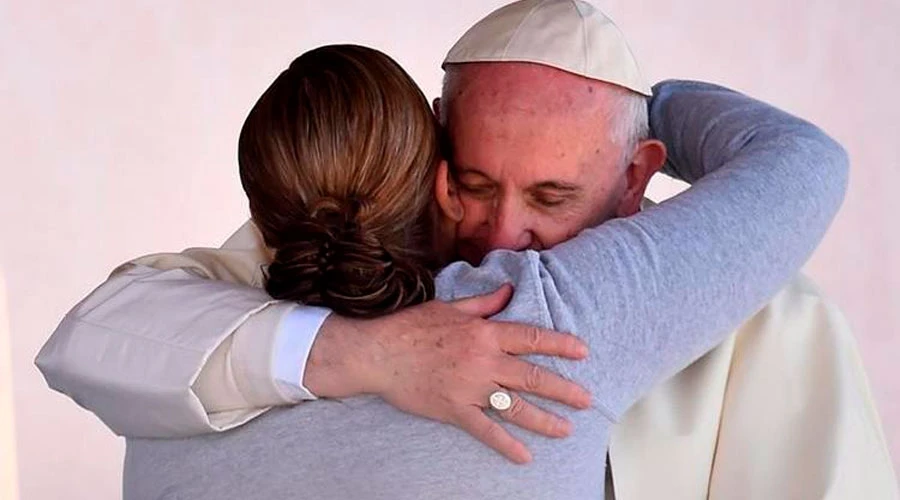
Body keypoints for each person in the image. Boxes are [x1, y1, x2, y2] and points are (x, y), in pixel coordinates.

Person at [37, 1, 897, 498]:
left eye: (552, 197)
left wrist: (624, 94)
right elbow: (93, 337)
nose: (498, 235)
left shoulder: (775, 319)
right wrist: (365, 353)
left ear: (637, 176)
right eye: (476, 184)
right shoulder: (310, 251)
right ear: (431, 154)